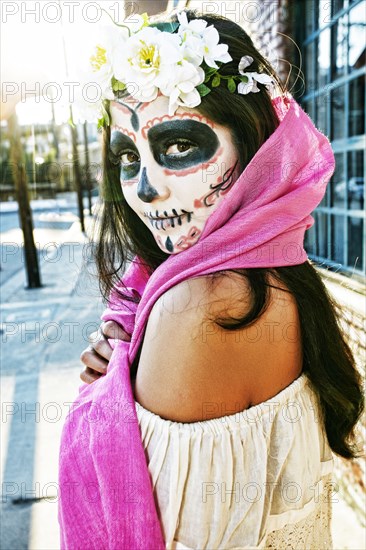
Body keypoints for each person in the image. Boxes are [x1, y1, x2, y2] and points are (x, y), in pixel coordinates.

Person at [59, 9, 364, 550]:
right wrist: (121, 375)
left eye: (178, 146)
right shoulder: (275, 271)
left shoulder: (203, 305)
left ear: (253, 145)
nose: (144, 188)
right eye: (128, 156)